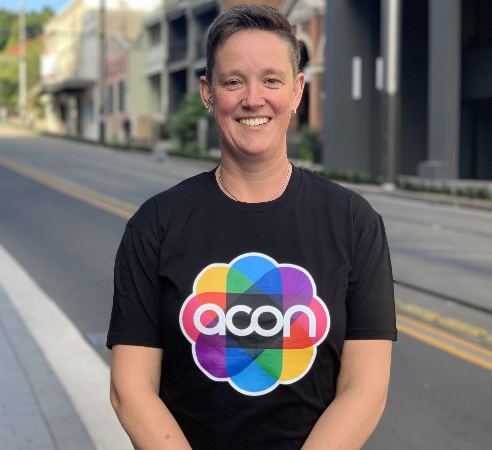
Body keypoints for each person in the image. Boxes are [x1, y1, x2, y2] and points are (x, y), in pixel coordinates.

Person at [107, 4, 396, 450]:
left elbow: (366, 388)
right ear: (207, 92)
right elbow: (130, 390)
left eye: (272, 80)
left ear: (298, 90)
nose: (253, 98)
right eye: (233, 81)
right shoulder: (154, 226)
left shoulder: (354, 224)